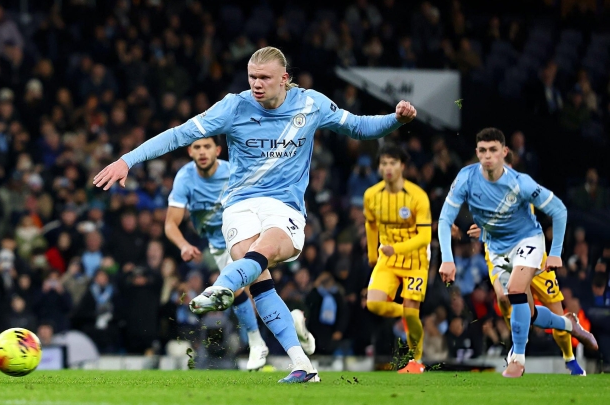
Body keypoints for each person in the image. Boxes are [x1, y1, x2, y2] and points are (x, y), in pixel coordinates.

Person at [94, 46, 417, 383]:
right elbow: (179, 134)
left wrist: (396, 119)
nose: (257, 84)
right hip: (239, 205)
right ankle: (302, 365)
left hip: (284, 205)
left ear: (284, 79)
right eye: (252, 77)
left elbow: (360, 128)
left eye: (264, 78)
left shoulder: (311, 104)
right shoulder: (234, 106)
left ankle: (221, 287)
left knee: (262, 251)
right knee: (258, 281)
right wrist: (127, 160)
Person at [438, 128, 597, 377]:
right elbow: (445, 219)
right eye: (483, 150)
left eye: (493, 150)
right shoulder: (466, 178)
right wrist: (447, 259)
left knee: (515, 291)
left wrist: (556, 252)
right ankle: (569, 324)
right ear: (477, 153)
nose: (488, 156)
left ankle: (520, 359)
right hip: (497, 249)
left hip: (528, 242)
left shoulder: (520, 183)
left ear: (504, 152)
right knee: (526, 311)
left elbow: (559, 210)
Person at [164, 135, 316, 371]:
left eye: (207, 146)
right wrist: (183, 244)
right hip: (218, 244)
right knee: (256, 293)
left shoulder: (233, 171)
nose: (202, 151)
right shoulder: (184, 178)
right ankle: (292, 325)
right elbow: (170, 223)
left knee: (244, 289)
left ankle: (257, 342)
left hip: (246, 234)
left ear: (217, 150)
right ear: (190, 152)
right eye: (197, 147)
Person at [364, 144, 431, 374]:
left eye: (393, 163)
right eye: (384, 163)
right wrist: (372, 254)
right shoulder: (371, 195)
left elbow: (425, 237)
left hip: (416, 260)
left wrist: (397, 248)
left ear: (402, 166)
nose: (388, 168)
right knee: (374, 304)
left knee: (412, 311)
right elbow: (371, 224)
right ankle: (408, 314)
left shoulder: (417, 196)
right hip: (387, 259)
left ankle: (416, 362)